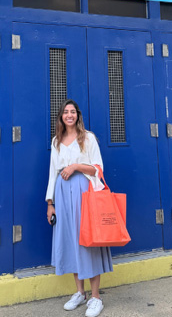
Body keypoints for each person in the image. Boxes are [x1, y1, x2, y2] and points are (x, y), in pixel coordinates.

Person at [46, 99, 112, 317]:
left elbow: (98, 169)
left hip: (84, 194)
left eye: (72, 111)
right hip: (63, 197)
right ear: (61, 117)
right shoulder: (56, 141)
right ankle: (79, 293)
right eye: (65, 112)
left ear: (78, 115)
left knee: (87, 241)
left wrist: (75, 166)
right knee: (71, 241)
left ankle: (95, 297)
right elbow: (52, 174)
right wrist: (50, 204)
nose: (69, 115)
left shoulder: (88, 138)